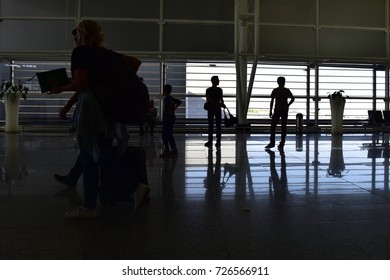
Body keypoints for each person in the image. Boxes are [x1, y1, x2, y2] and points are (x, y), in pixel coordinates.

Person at [51, 20, 150, 219]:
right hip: (106, 109)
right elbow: (135, 62)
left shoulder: (80, 53)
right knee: (97, 152)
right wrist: (116, 86)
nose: (75, 36)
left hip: (90, 110)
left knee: (91, 156)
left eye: (77, 32)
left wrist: (60, 88)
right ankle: (90, 206)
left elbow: (81, 84)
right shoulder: (105, 54)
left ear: (82, 33)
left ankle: (132, 187)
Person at [265, 76, 295, 149]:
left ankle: (272, 142)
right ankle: (282, 142)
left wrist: (270, 110)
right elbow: (293, 98)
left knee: (273, 126)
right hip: (284, 110)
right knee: (283, 127)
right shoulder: (286, 90)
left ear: (277, 82)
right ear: (284, 82)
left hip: (277, 110)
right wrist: (288, 105)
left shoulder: (275, 90)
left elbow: (272, 101)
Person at [160, 84, 181, 158]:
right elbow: (179, 102)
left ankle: (167, 150)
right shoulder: (171, 98)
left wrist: (170, 110)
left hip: (168, 118)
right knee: (169, 133)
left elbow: (170, 106)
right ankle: (173, 149)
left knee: (165, 134)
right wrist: (173, 109)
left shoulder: (167, 98)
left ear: (164, 90)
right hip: (171, 117)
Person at [204, 75, 226, 149]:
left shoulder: (208, 90)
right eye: (217, 80)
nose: (218, 81)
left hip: (211, 109)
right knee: (218, 125)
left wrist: (220, 103)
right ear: (213, 81)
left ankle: (210, 141)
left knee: (211, 125)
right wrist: (220, 104)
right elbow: (221, 99)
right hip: (217, 109)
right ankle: (218, 141)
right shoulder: (219, 90)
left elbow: (208, 100)